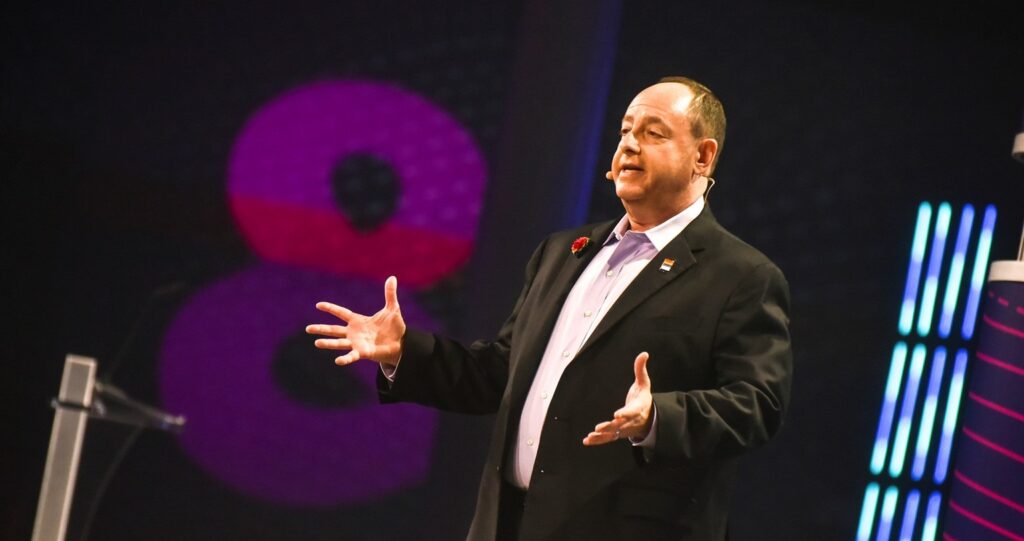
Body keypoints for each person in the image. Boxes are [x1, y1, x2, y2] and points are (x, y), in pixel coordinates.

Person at [306, 76, 792, 540]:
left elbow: (757, 404)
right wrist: (404, 353)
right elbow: (499, 372)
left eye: (653, 132)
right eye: (624, 131)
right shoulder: (564, 252)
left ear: (703, 157)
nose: (628, 144)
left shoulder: (740, 275)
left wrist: (659, 417)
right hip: (506, 525)